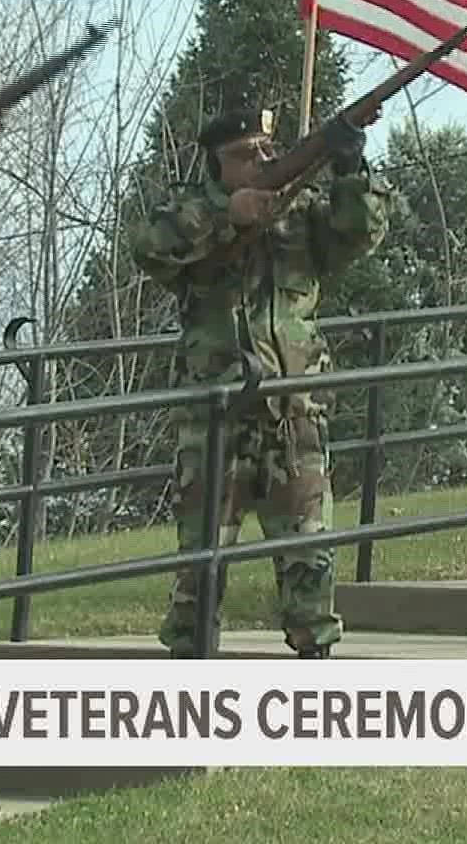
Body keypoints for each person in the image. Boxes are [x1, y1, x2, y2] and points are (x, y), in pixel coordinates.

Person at [127, 107, 389, 659]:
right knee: (202, 560)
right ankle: (190, 663)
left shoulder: (298, 216)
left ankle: (314, 658)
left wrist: (350, 171)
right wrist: (229, 214)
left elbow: (359, 235)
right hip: (214, 417)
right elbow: (150, 246)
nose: (263, 161)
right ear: (216, 165)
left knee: (309, 555)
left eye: (269, 150)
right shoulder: (188, 212)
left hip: (292, 409)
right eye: (246, 155)